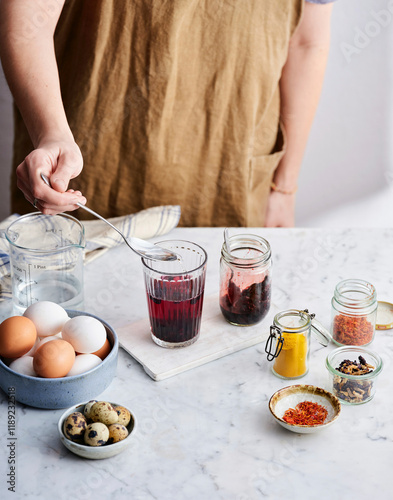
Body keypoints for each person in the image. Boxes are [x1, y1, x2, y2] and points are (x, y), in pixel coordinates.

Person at [0, 0, 335, 227]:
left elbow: (307, 42)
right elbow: (31, 17)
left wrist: (284, 188)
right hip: (85, 170)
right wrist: (52, 133)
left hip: (232, 179)